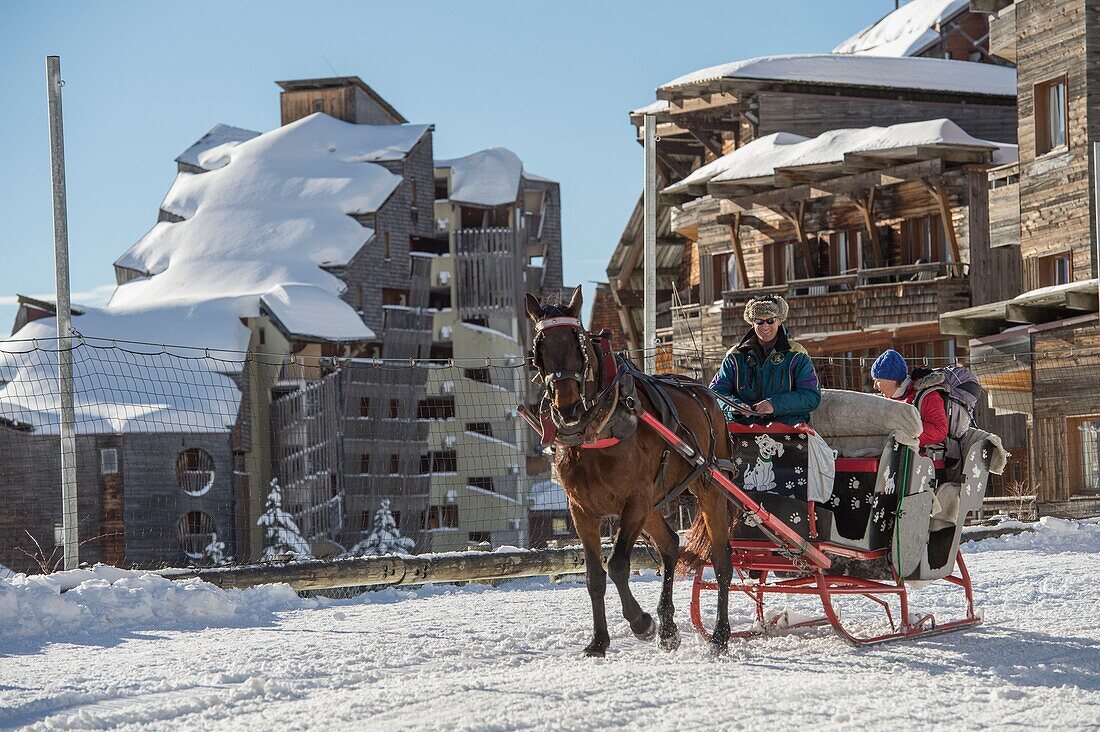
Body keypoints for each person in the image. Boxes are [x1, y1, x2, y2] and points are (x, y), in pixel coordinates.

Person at [709, 294, 821, 426]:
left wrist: (774, 405)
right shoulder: (735, 356)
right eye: (759, 321)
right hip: (743, 431)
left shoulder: (796, 354)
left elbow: (811, 396)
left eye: (770, 320)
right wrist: (734, 407)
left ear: (779, 321)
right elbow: (715, 392)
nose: (765, 326)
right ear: (752, 323)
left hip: (789, 432)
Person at [870, 349, 947, 455]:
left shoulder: (927, 396)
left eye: (877, 380)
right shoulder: (894, 399)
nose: (874, 386)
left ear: (891, 379)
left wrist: (905, 427)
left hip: (926, 463)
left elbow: (939, 431)